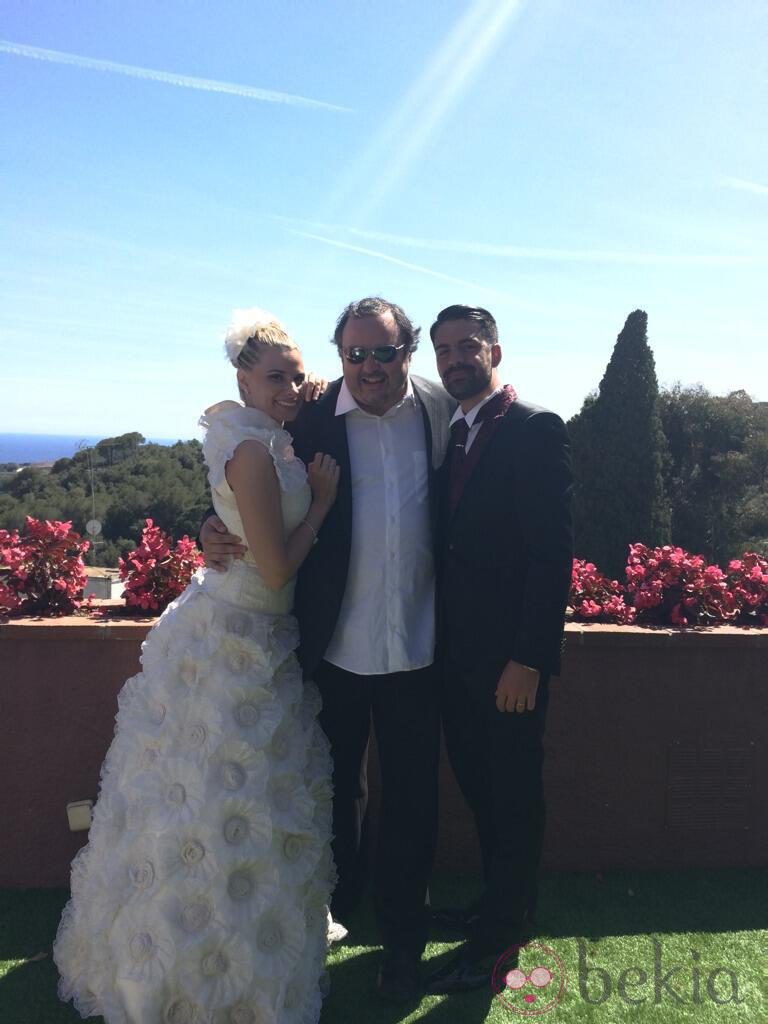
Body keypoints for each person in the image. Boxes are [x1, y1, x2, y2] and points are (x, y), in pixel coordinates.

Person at [54, 309, 340, 1024]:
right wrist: (323, 507)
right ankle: (190, 967)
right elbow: (275, 571)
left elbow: (242, 516)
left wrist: (216, 523)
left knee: (238, 798)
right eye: (275, 376)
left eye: (297, 373)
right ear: (242, 379)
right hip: (238, 631)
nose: (291, 385)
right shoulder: (250, 447)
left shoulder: (267, 435)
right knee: (214, 795)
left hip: (255, 633)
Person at [202, 297, 456, 1004]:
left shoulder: (440, 415)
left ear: (409, 352)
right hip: (330, 649)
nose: (370, 367)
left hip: (419, 646)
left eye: (384, 353)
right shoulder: (309, 417)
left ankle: (402, 943)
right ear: (339, 355)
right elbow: (243, 481)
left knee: (410, 803)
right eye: (355, 354)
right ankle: (332, 927)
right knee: (331, 796)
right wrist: (205, 526)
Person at [425, 304, 573, 995]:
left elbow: (551, 555)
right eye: (443, 349)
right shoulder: (448, 431)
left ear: (495, 351)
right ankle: (496, 906)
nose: (455, 359)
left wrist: (530, 659)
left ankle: (500, 946)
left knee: (512, 798)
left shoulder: (534, 428)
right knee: (484, 793)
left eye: (467, 346)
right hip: (455, 659)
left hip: (509, 665)